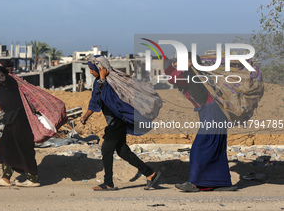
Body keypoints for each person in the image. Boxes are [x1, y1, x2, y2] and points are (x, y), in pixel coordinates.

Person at [81, 55, 161, 191]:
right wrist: (85, 116)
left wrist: (102, 79)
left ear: (99, 68)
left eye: (91, 69)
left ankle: (108, 183)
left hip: (118, 121)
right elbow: (96, 101)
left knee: (106, 149)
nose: (90, 72)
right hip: (114, 121)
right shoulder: (99, 82)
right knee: (122, 151)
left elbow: (111, 100)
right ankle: (150, 173)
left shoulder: (111, 82)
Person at [164, 53, 237, 192]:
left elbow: (172, 78)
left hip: (213, 112)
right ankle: (221, 183)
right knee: (215, 147)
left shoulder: (196, 75)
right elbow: (168, 72)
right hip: (209, 112)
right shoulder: (190, 74)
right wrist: (175, 65)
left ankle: (195, 183)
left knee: (199, 148)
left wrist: (183, 66)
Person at [0, 62, 40, 187]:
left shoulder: (10, 81)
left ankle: (32, 178)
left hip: (19, 119)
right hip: (11, 119)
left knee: (23, 147)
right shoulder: (5, 84)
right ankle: (6, 178)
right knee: (7, 147)